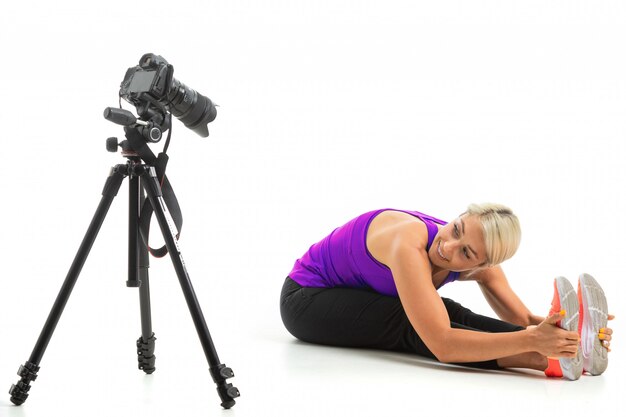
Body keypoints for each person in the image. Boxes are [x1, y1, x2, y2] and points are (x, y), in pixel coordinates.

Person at [279, 204, 614, 379]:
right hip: (306, 300)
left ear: (483, 264)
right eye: (456, 228)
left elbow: (522, 319)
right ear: (458, 217)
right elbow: (441, 344)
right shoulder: (407, 242)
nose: (449, 247)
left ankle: (567, 353)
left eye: (467, 253)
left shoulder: (483, 263)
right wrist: (532, 342)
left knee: (451, 312)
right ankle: (545, 361)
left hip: (357, 298)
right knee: (416, 323)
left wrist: (556, 332)